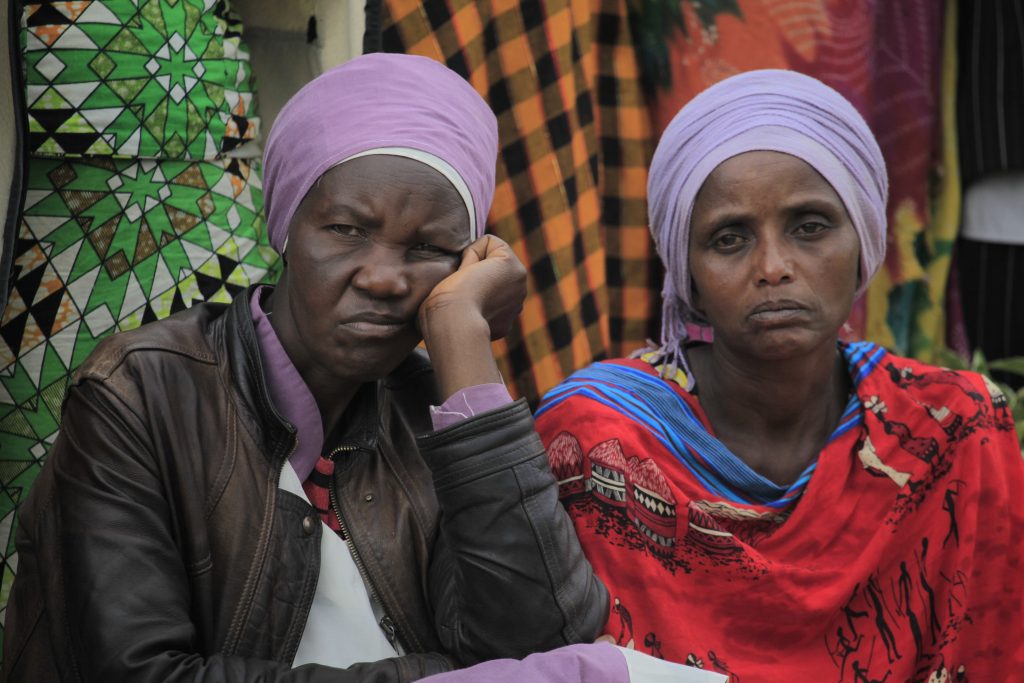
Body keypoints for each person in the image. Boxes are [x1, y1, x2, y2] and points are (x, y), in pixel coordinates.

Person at [2, 52, 623, 682]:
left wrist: (464, 339)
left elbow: (542, 645)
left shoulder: (435, 412)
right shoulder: (143, 392)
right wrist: (447, 675)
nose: (383, 277)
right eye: (347, 229)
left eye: (429, 248)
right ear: (286, 228)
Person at [536, 69, 1024, 682]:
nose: (773, 267)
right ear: (686, 273)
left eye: (810, 227)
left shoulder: (954, 429)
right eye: (729, 238)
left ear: (865, 241)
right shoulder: (597, 439)